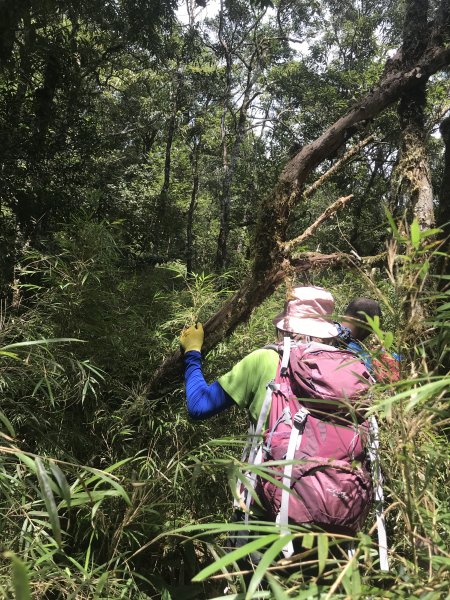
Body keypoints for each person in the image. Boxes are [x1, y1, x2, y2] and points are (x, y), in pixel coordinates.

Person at [180, 286, 340, 423]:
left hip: (278, 459)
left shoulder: (265, 360)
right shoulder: (346, 367)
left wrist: (192, 351)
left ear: (285, 327)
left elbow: (199, 405)